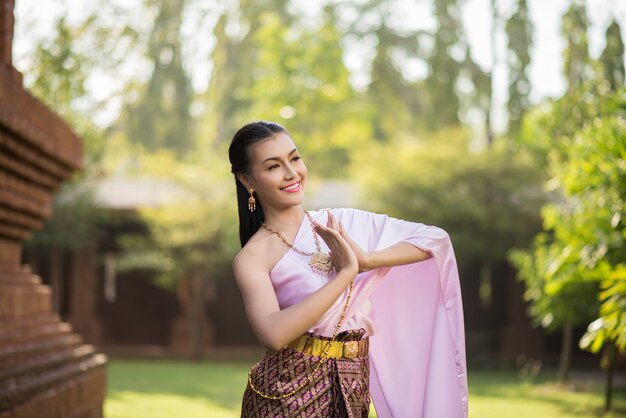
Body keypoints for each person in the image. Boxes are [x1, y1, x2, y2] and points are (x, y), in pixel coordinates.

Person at [229, 121, 468, 418]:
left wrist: (368, 260)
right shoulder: (253, 258)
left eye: (295, 158)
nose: (292, 173)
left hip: (353, 385)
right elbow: (274, 333)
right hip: (285, 394)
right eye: (273, 166)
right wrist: (345, 274)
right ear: (247, 180)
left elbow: (435, 241)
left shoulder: (341, 223)